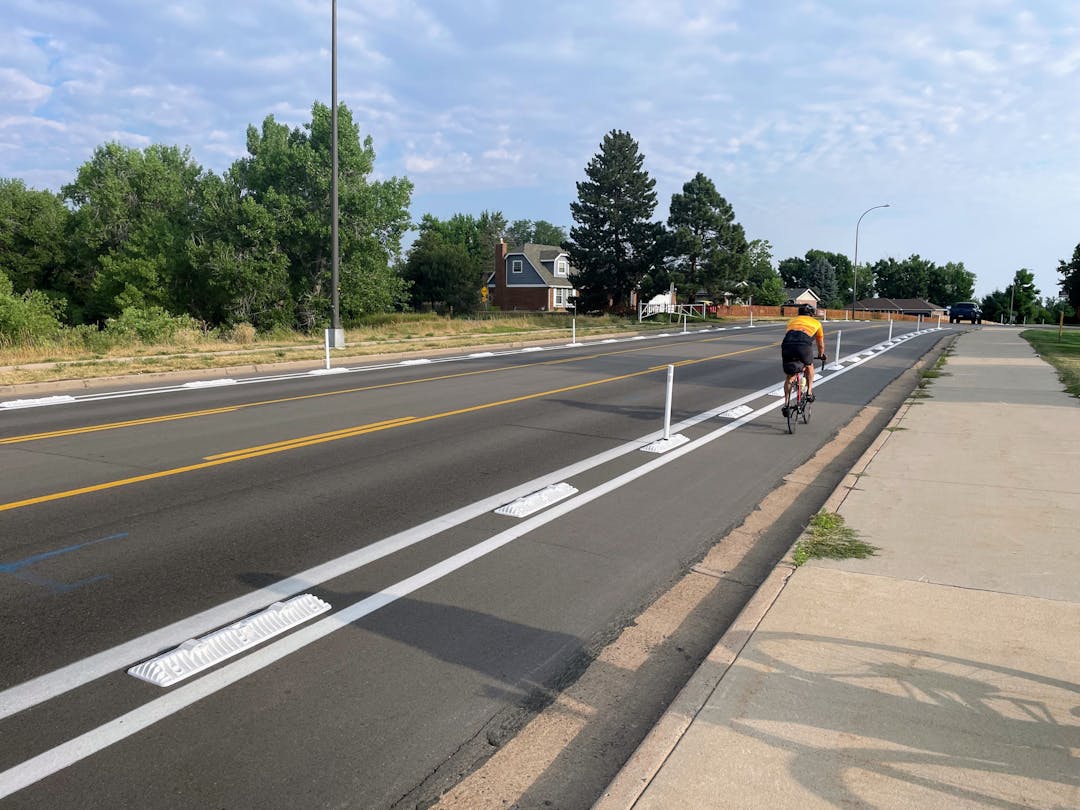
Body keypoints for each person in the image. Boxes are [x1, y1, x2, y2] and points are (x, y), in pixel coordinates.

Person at [781, 303, 826, 417]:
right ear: (811, 314)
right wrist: (821, 355)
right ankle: (809, 392)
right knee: (809, 366)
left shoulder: (792, 321)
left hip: (787, 344)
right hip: (803, 345)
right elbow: (820, 344)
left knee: (790, 376)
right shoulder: (816, 323)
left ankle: (786, 404)